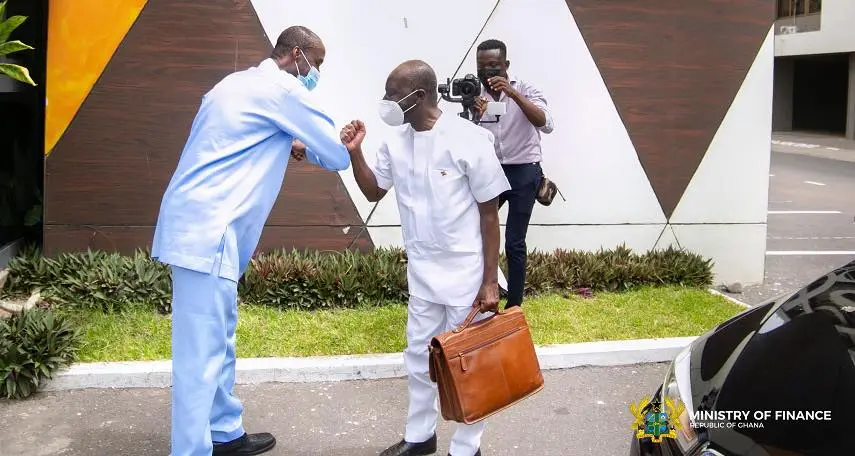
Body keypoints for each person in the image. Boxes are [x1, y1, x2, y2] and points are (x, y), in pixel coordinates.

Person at [151, 26, 351, 456]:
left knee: (219, 339)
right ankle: (189, 451)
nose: (315, 73)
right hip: (208, 232)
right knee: (199, 358)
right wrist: (328, 145)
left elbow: (244, 142)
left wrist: (293, 143)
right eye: (315, 64)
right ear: (296, 55)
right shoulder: (283, 91)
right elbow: (336, 154)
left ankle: (225, 434)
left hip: (200, 227)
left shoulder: (233, 84)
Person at [342, 60, 511, 456]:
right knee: (419, 358)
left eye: (391, 93)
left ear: (418, 95)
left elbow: (490, 215)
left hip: (466, 273)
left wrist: (490, 281)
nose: (385, 101)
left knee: (469, 365)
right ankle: (420, 437)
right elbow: (373, 191)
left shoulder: (468, 138)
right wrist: (355, 153)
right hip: (422, 273)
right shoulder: (395, 142)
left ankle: (467, 446)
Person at [473, 38, 555, 309]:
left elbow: (546, 124)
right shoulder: (475, 94)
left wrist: (513, 94)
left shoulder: (527, 89)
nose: (488, 73)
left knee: (514, 241)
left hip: (523, 171)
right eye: (482, 67)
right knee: (477, 232)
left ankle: (514, 306)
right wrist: (472, 115)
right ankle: (484, 293)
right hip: (492, 171)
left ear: (506, 65)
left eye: (494, 66)